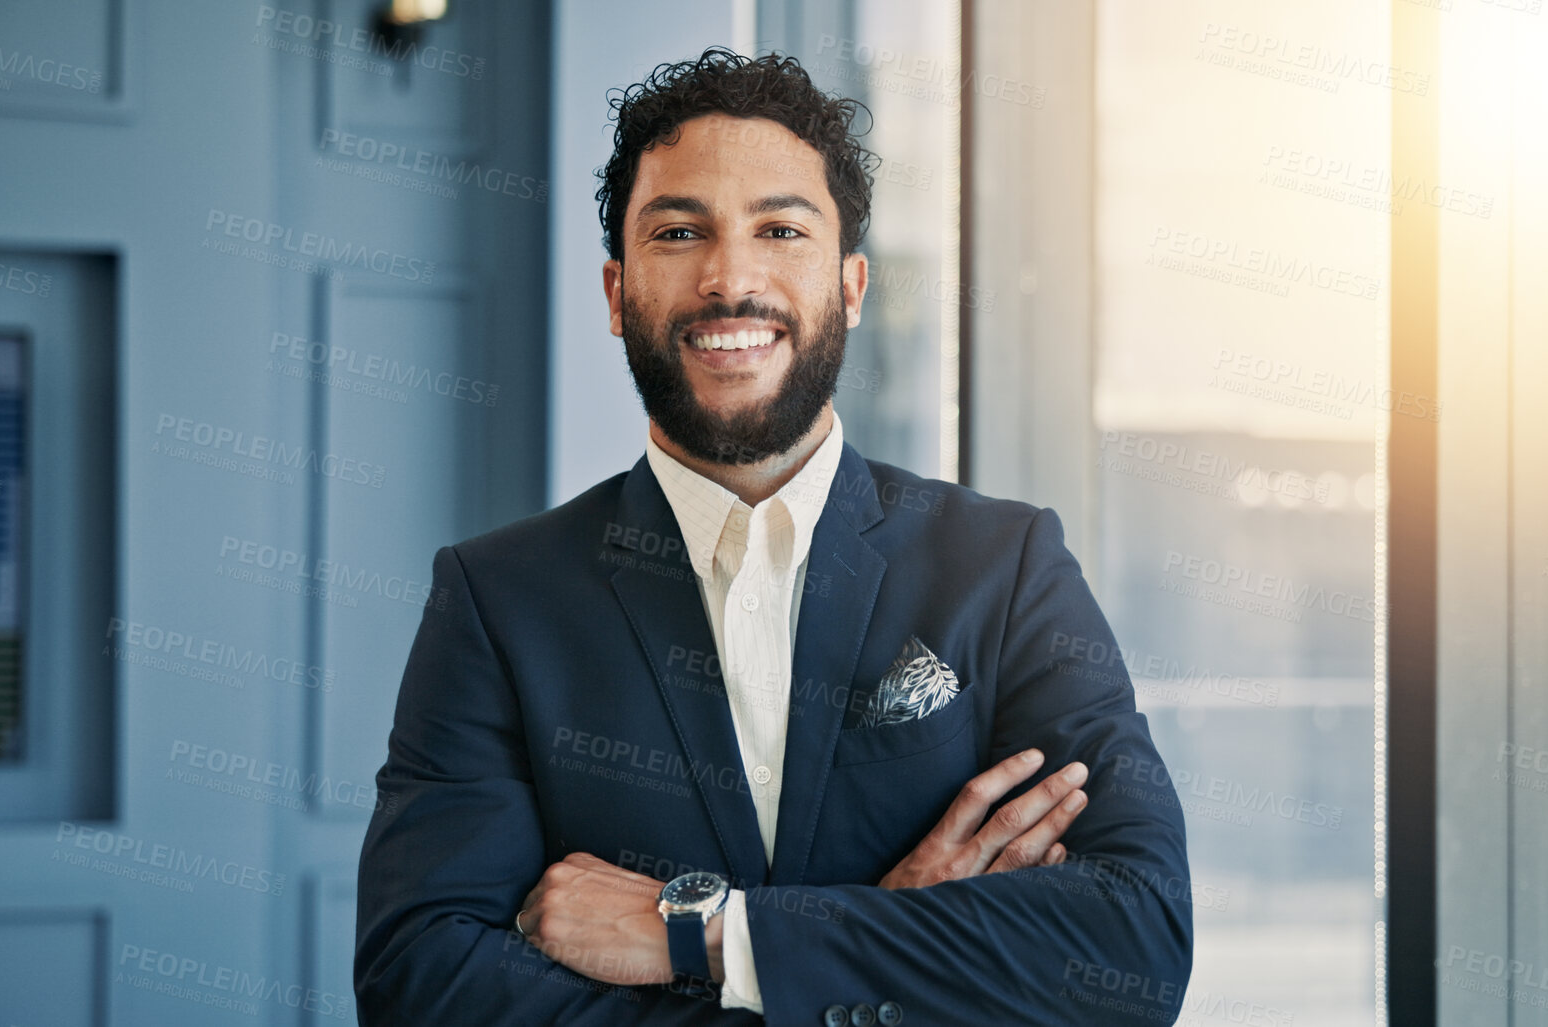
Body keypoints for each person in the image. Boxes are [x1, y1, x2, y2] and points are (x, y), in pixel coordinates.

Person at [354, 47, 1191, 1026]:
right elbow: (426, 987)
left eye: (780, 229)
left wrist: (707, 933)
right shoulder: (496, 600)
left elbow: (1132, 946)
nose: (729, 278)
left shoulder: (1006, 569)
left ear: (852, 285)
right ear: (617, 292)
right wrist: (887, 940)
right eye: (679, 232)